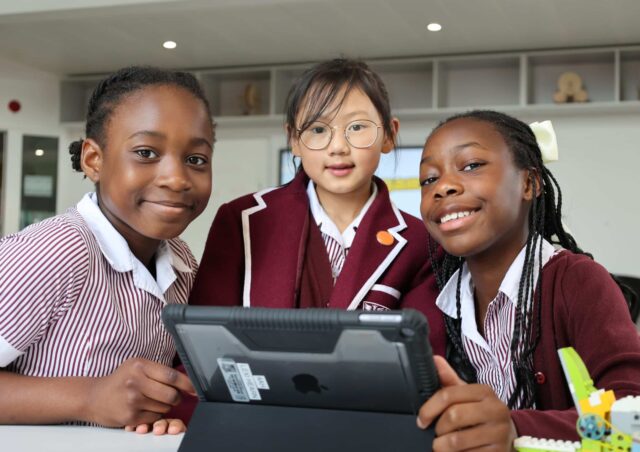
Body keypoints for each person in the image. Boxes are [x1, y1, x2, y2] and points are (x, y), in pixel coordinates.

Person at [0, 66, 216, 435]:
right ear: (93, 160)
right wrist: (90, 397)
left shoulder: (182, 263)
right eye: (146, 152)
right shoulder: (53, 253)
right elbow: (101, 401)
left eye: (196, 159)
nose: (177, 178)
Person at [415, 110, 640, 449]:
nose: (443, 186)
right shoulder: (438, 300)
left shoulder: (577, 281)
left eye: (472, 165)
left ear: (529, 183)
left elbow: (632, 415)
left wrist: (515, 429)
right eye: (429, 179)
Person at [189, 58, 444, 353]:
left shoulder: (420, 243)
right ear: (294, 140)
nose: (338, 146)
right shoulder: (242, 220)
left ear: (389, 134)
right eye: (318, 129)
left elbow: (425, 357)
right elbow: (203, 342)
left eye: (357, 126)